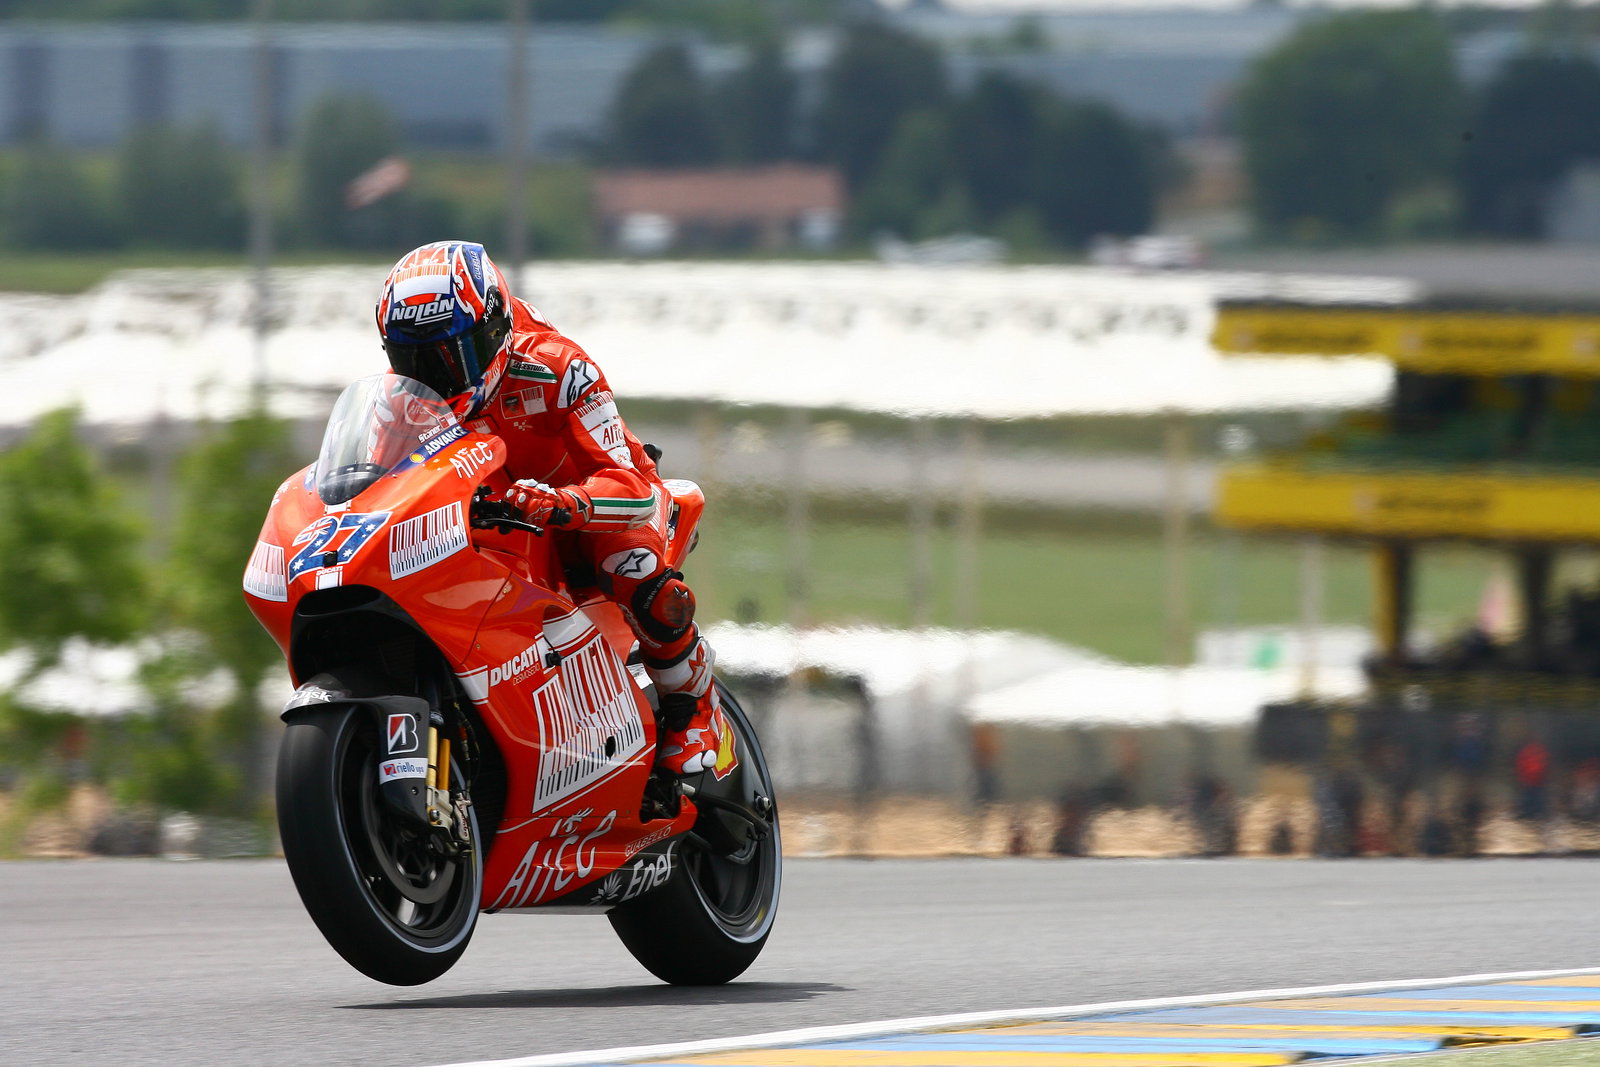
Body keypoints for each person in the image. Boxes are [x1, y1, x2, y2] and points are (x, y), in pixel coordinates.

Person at [374, 240, 720, 776]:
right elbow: (379, 486)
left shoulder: (560, 370)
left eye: (448, 356)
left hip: (591, 512)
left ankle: (694, 712)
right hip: (493, 525)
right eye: (411, 359)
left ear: (491, 331)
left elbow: (632, 485)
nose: (432, 376)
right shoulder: (399, 405)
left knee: (633, 569)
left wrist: (563, 503)